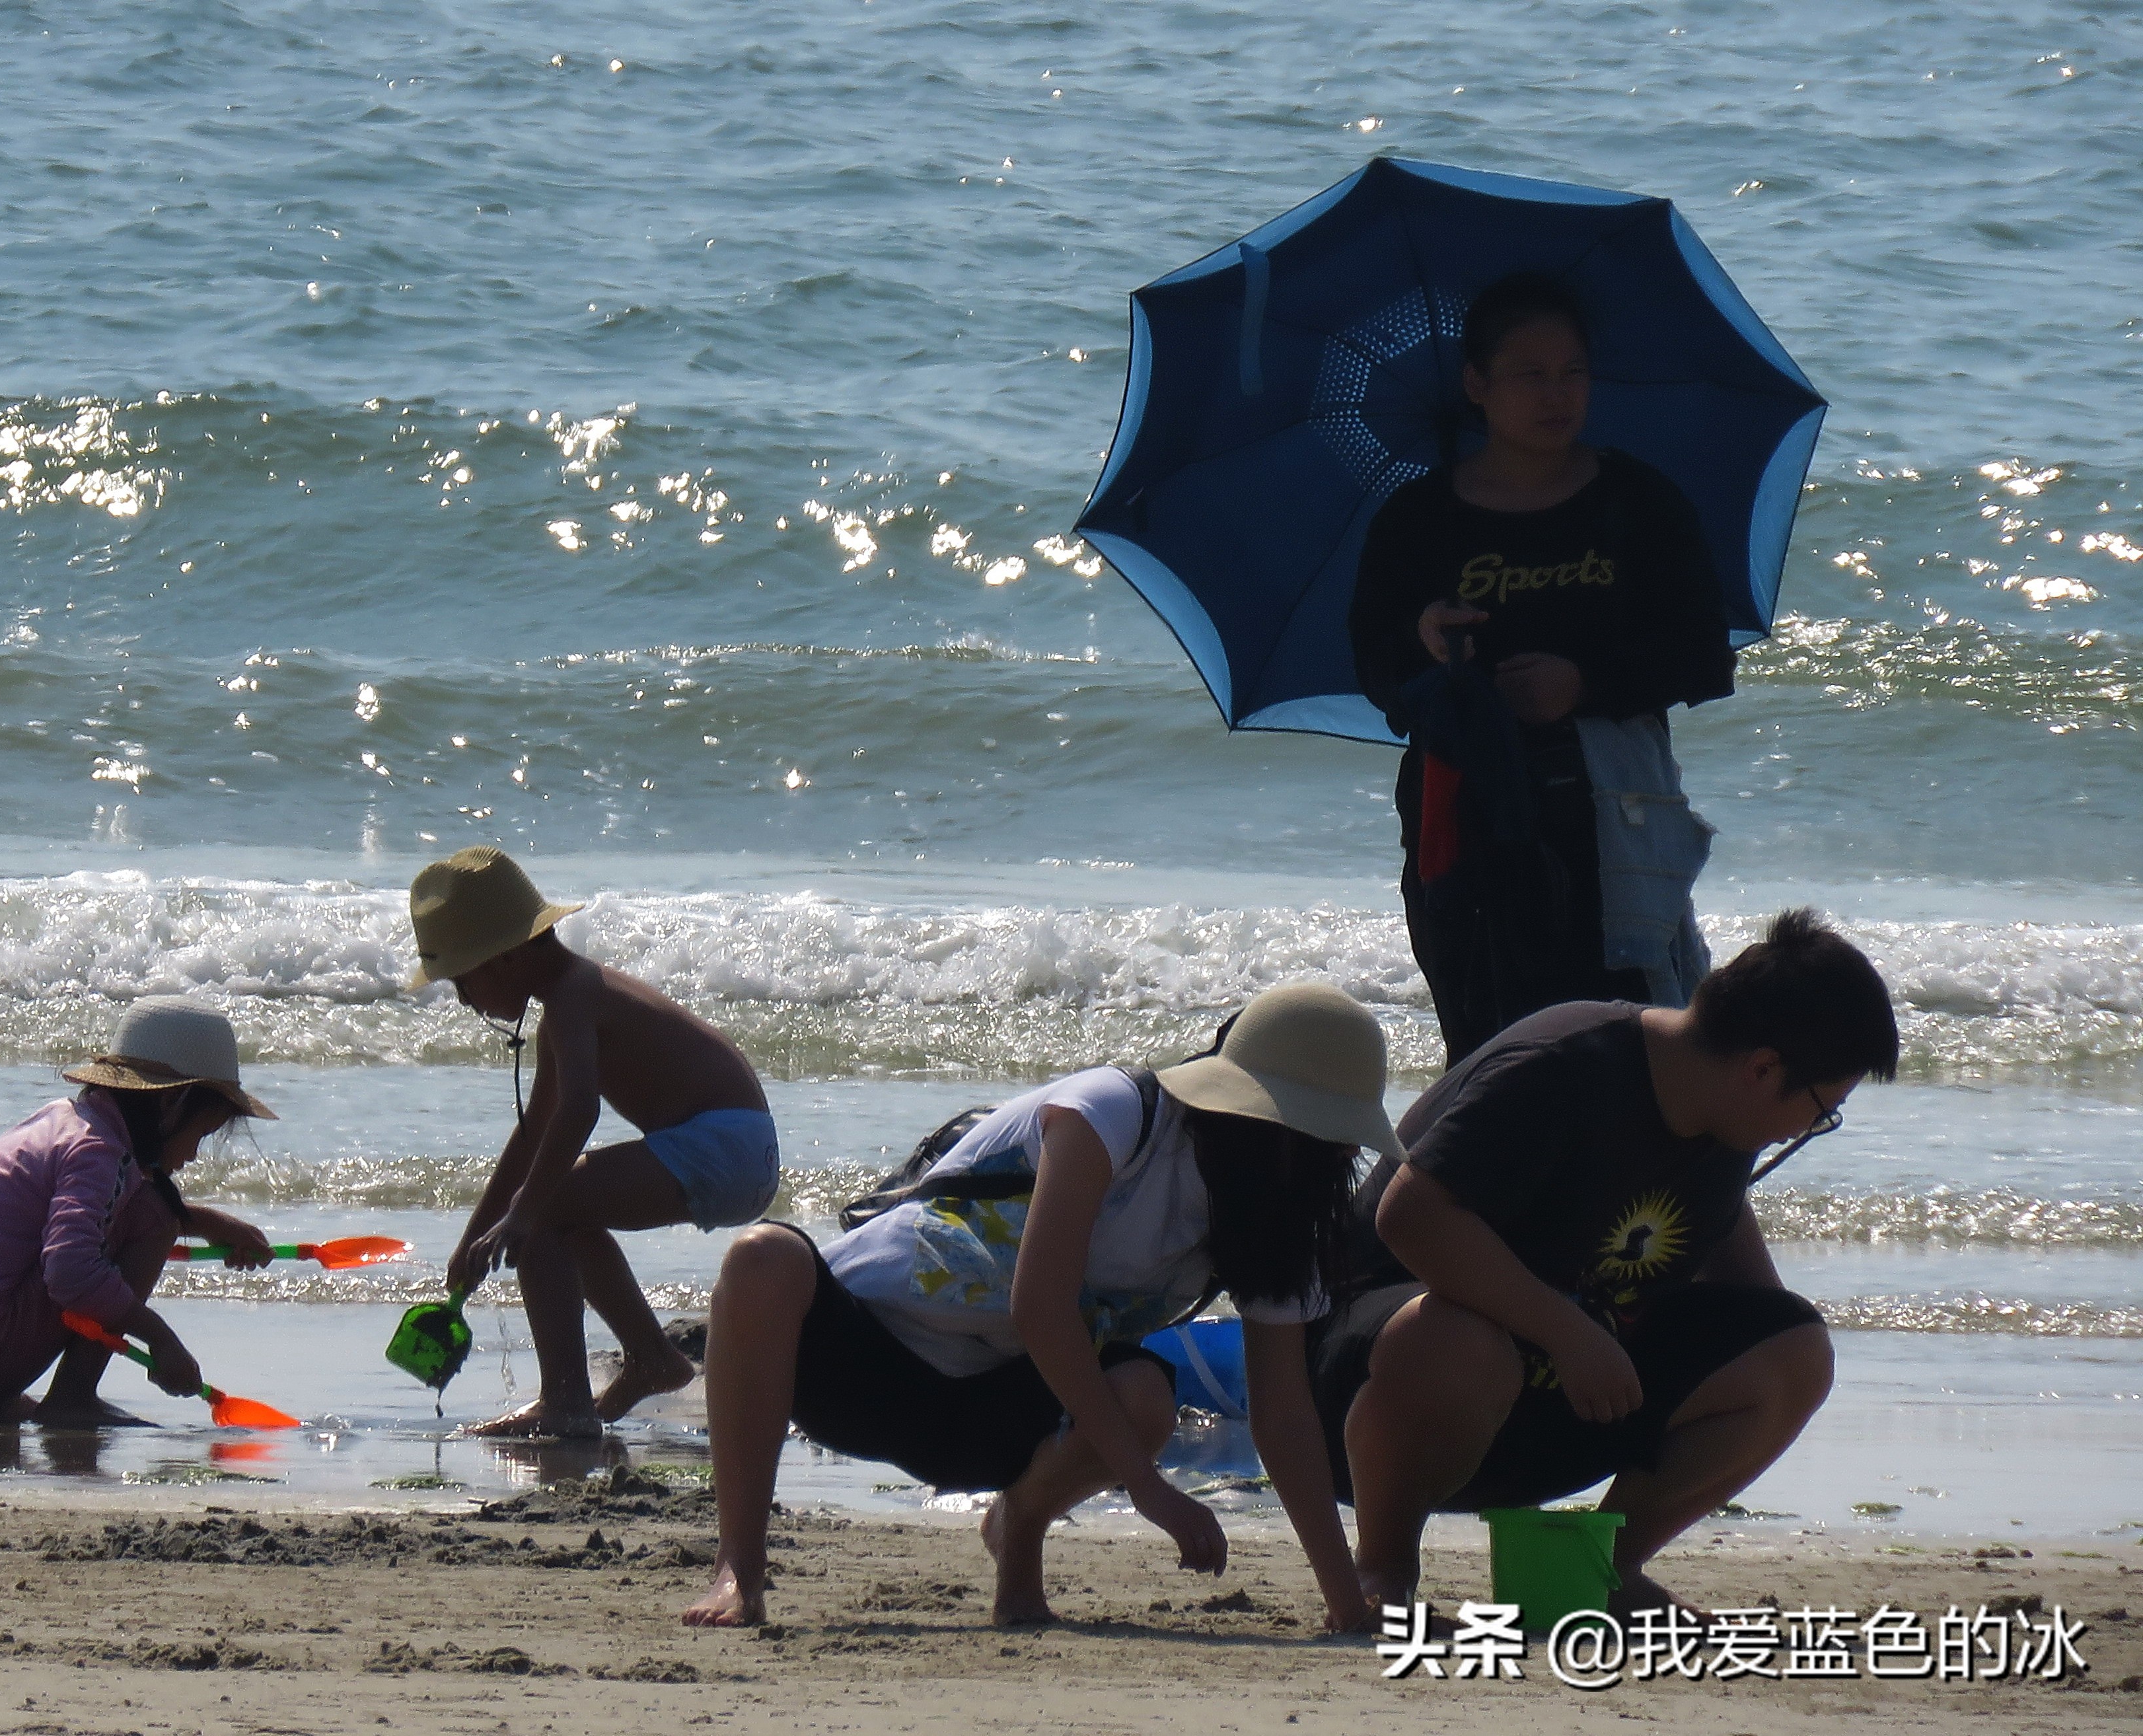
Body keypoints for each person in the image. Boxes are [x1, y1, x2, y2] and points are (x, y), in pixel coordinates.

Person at [681, 982, 1400, 1632]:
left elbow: (1284, 1415)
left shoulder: (1276, 1219)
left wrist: (1345, 1601)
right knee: (762, 1258)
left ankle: (1018, 1532)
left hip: (994, 1416)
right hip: (858, 1366)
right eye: (1325, 1134)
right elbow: (1042, 1307)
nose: (1341, 1160)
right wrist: (1150, 1489)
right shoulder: (1114, 1115)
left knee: (1145, 1393)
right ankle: (739, 1570)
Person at [1315, 910, 1899, 1616]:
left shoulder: (1722, 1127)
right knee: (1457, 1337)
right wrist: (1566, 1331)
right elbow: (1410, 1216)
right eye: (1821, 1109)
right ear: (1763, 1068)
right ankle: (1383, 1566)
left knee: (1796, 1353)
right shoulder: (1565, 1068)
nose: (1810, 1129)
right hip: (1380, 1390)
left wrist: (1763, 1385)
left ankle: (1601, 1566)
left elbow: (1758, 1318)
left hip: (1553, 1399)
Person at [1347, 271, 1738, 1065]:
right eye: (1531, 375)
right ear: (1477, 386)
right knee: (1488, 1048)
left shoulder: (1637, 503)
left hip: (1611, 810)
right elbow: (1377, 673)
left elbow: (1702, 654)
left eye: (1574, 374)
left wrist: (1583, 686)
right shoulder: (1418, 520)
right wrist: (1423, 641)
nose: (1557, 395)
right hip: (1461, 815)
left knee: (1625, 1043)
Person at [412, 846, 778, 1440]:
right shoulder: (569, 998)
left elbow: (579, 1110)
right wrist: (474, 1237)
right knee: (557, 1208)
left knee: (546, 1211)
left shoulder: (572, 996)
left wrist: (522, 1217)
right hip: (742, 1151)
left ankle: (565, 1401)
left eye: (461, 980)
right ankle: (652, 1361)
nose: (463, 1000)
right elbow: (535, 1132)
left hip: (723, 1145)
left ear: (500, 958)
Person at [0, 995, 279, 1426]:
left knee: (151, 1212)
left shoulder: (67, 1120)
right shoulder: (98, 1152)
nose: (193, 1155)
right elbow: (71, 1270)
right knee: (155, 1218)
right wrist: (160, 1338)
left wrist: (206, 1223)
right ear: (172, 1105)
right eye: (201, 1135)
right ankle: (73, 1396)